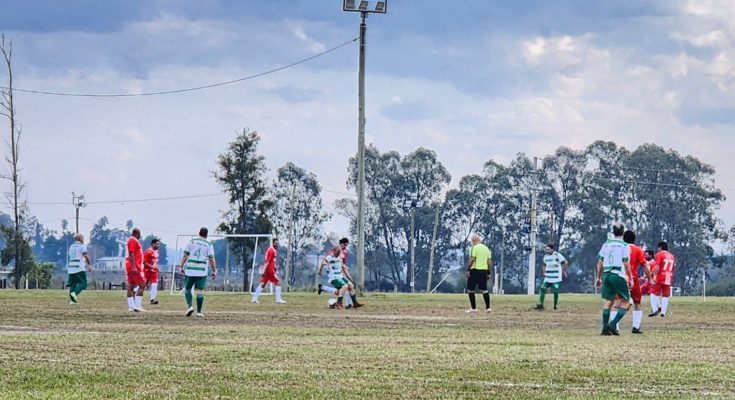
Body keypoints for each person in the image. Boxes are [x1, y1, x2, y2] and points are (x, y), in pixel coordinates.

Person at [610, 230, 651, 334]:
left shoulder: (618, 249)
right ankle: (635, 327)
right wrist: (650, 278)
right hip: (632, 279)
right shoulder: (638, 250)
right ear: (634, 239)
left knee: (616, 303)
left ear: (624, 238)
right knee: (636, 303)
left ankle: (615, 327)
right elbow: (645, 265)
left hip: (618, 278)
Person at [596, 222, 631, 336]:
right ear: (623, 232)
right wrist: (630, 277)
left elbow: (600, 262)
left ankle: (605, 329)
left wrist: (598, 277)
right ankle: (613, 323)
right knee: (627, 302)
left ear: (613, 231)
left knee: (609, 302)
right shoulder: (625, 245)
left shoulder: (606, 244)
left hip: (606, 274)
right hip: (617, 274)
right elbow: (626, 263)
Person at [178, 227, 216, 317]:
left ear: (199, 233)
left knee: (187, 288)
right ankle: (199, 312)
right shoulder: (208, 244)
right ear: (207, 235)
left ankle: (190, 306)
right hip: (202, 271)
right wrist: (214, 270)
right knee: (199, 291)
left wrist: (181, 266)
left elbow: (185, 255)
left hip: (191, 269)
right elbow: (211, 259)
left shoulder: (192, 241)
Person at [318, 245, 362, 309]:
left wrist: (344, 267)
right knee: (344, 286)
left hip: (340, 276)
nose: (338, 254)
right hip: (334, 278)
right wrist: (320, 270)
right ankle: (339, 303)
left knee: (351, 285)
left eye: (339, 253)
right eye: (337, 253)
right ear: (334, 251)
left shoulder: (339, 257)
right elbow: (323, 261)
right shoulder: (329, 257)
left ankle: (354, 303)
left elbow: (341, 264)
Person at [251, 238, 287, 304]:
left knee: (263, 284)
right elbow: (267, 261)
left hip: (270, 269)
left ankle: (254, 299)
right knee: (278, 283)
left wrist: (275, 267)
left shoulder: (273, 250)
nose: (277, 244)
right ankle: (278, 299)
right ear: (272, 243)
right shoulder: (271, 250)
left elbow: (272, 261)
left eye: (277, 243)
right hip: (270, 270)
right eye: (275, 243)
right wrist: (263, 270)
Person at [534, 243, 568, 310]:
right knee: (542, 288)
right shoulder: (546, 256)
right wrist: (544, 272)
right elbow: (544, 264)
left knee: (555, 291)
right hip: (548, 278)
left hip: (556, 278)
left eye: (548, 249)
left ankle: (555, 305)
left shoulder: (557, 255)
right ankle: (541, 304)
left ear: (552, 249)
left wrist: (564, 271)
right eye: (546, 249)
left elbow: (565, 262)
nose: (547, 250)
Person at [465, 233, 492, 313]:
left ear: (473, 241)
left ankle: (473, 308)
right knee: (484, 289)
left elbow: (472, 259)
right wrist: (489, 272)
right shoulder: (486, 248)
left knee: (471, 289)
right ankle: (488, 308)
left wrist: (468, 269)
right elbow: (489, 261)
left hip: (475, 270)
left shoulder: (474, 248)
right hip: (484, 271)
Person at [649, 241, 675, 317]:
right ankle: (663, 312)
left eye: (658, 247)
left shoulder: (659, 254)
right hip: (668, 276)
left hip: (660, 276)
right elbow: (673, 267)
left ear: (660, 247)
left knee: (653, 293)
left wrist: (653, 275)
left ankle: (655, 310)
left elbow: (657, 266)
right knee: (665, 296)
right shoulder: (672, 256)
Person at [66, 233, 92, 304]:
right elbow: (86, 256)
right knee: (83, 283)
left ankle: (73, 301)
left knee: (73, 284)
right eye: (83, 238)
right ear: (80, 239)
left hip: (71, 267)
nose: (83, 239)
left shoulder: (71, 246)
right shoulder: (82, 246)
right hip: (79, 267)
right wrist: (89, 265)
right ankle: (74, 295)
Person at [125, 228, 146, 312]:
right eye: (140, 234)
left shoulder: (131, 240)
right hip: (134, 266)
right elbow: (131, 252)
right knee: (142, 285)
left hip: (130, 266)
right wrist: (134, 266)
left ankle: (131, 306)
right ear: (137, 234)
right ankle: (137, 305)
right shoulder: (133, 240)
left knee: (131, 286)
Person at [144, 238, 161, 305]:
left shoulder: (156, 252)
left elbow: (155, 262)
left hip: (154, 272)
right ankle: (135, 296)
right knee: (143, 285)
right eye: (157, 244)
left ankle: (152, 299)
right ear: (153, 244)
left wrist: (156, 268)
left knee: (155, 285)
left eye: (159, 244)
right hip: (147, 271)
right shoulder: (148, 252)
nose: (158, 245)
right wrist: (151, 267)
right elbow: (144, 262)